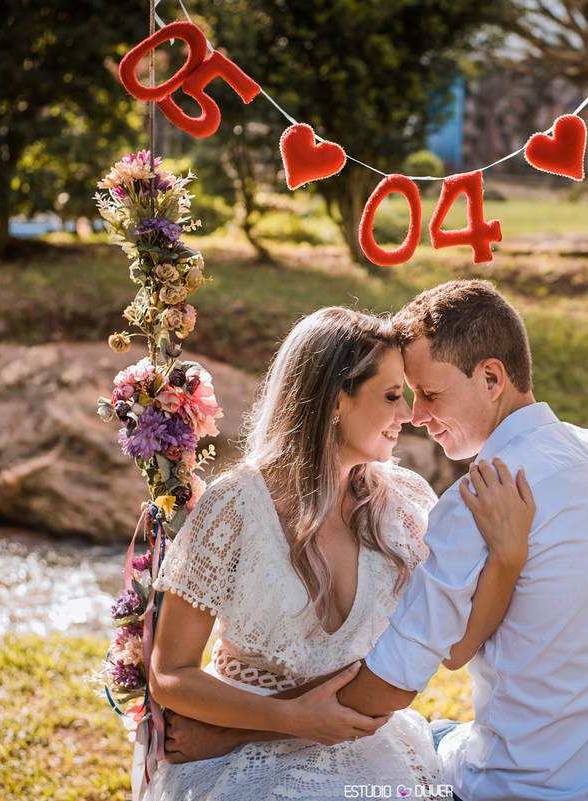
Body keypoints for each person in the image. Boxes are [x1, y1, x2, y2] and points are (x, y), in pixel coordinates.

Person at [145, 306, 535, 801]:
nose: (408, 415)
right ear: (334, 400)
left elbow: (455, 647)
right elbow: (170, 675)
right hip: (241, 762)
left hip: (366, 750)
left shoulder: (406, 502)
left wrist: (507, 558)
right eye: (391, 396)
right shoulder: (235, 505)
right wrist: (287, 719)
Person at [332, 280, 588, 800]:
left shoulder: (481, 497)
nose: (416, 415)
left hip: (521, 786)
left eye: (430, 394)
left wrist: (263, 722)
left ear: (491, 378)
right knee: (442, 731)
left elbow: (391, 683)